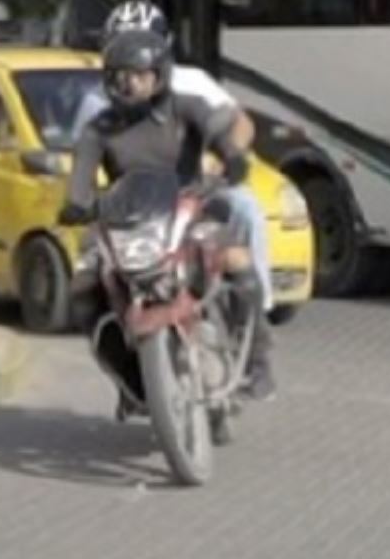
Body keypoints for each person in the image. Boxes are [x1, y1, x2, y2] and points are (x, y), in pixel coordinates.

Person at [60, 28, 277, 408]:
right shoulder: (100, 128)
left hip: (191, 211)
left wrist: (232, 158)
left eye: (138, 74)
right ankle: (130, 380)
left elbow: (222, 134)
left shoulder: (187, 107)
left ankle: (257, 363)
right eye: (118, 76)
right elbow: (80, 177)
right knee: (82, 287)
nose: (128, 84)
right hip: (126, 222)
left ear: (159, 75)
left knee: (236, 259)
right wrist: (77, 204)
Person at [75, 2, 273, 332]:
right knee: (86, 274)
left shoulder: (192, 84)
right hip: (130, 205)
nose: (131, 58)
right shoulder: (95, 100)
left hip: (191, 192)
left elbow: (240, 122)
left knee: (244, 207)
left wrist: (221, 158)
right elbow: (82, 159)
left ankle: (256, 318)